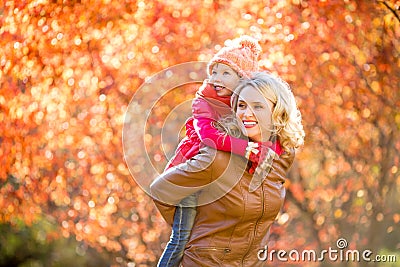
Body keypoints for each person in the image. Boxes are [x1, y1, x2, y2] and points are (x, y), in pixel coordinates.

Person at [151, 71, 305, 266]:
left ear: (277, 110)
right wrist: (193, 236)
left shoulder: (283, 155)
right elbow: (160, 190)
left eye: (258, 106)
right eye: (241, 105)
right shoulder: (217, 158)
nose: (246, 114)